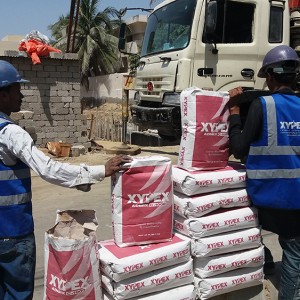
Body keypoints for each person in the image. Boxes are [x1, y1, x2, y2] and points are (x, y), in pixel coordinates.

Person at [0, 60, 132, 300]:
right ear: (3, 95)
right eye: (17, 90)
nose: (22, 96)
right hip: (13, 234)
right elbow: (48, 169)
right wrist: (99, 171)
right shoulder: (11, 133)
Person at [228, 45, 300, 300]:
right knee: (293, 253)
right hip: (297, 201)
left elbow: (238, 149)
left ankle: (265, 261)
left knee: (251, 228)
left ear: (269, 77)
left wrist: (234, 114)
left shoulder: (262, 105)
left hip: (265, 198)